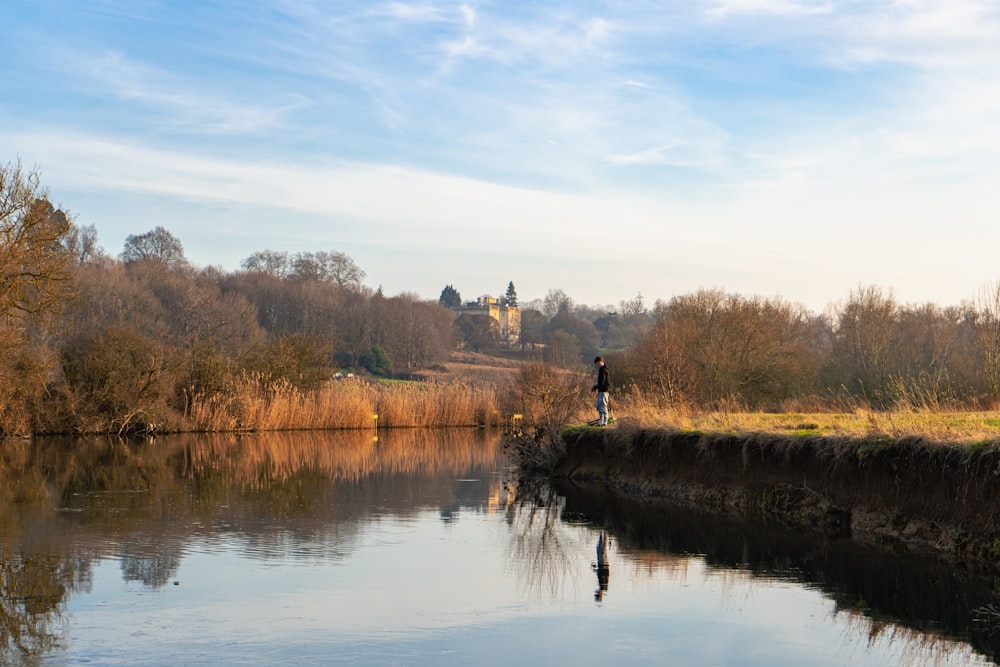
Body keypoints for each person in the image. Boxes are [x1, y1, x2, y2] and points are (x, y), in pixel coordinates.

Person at [591, 356, 610, 426]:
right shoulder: (604, 369)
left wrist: (595, 387)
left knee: (602, 406)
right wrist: (596, 387)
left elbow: (602, 382)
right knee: (599, 407)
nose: (597, 365)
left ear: (599, 362)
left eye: (597, 364)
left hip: (603, 391)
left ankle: (605, 422)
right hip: (602, 391)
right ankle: (601, 422)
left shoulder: (603, 370)